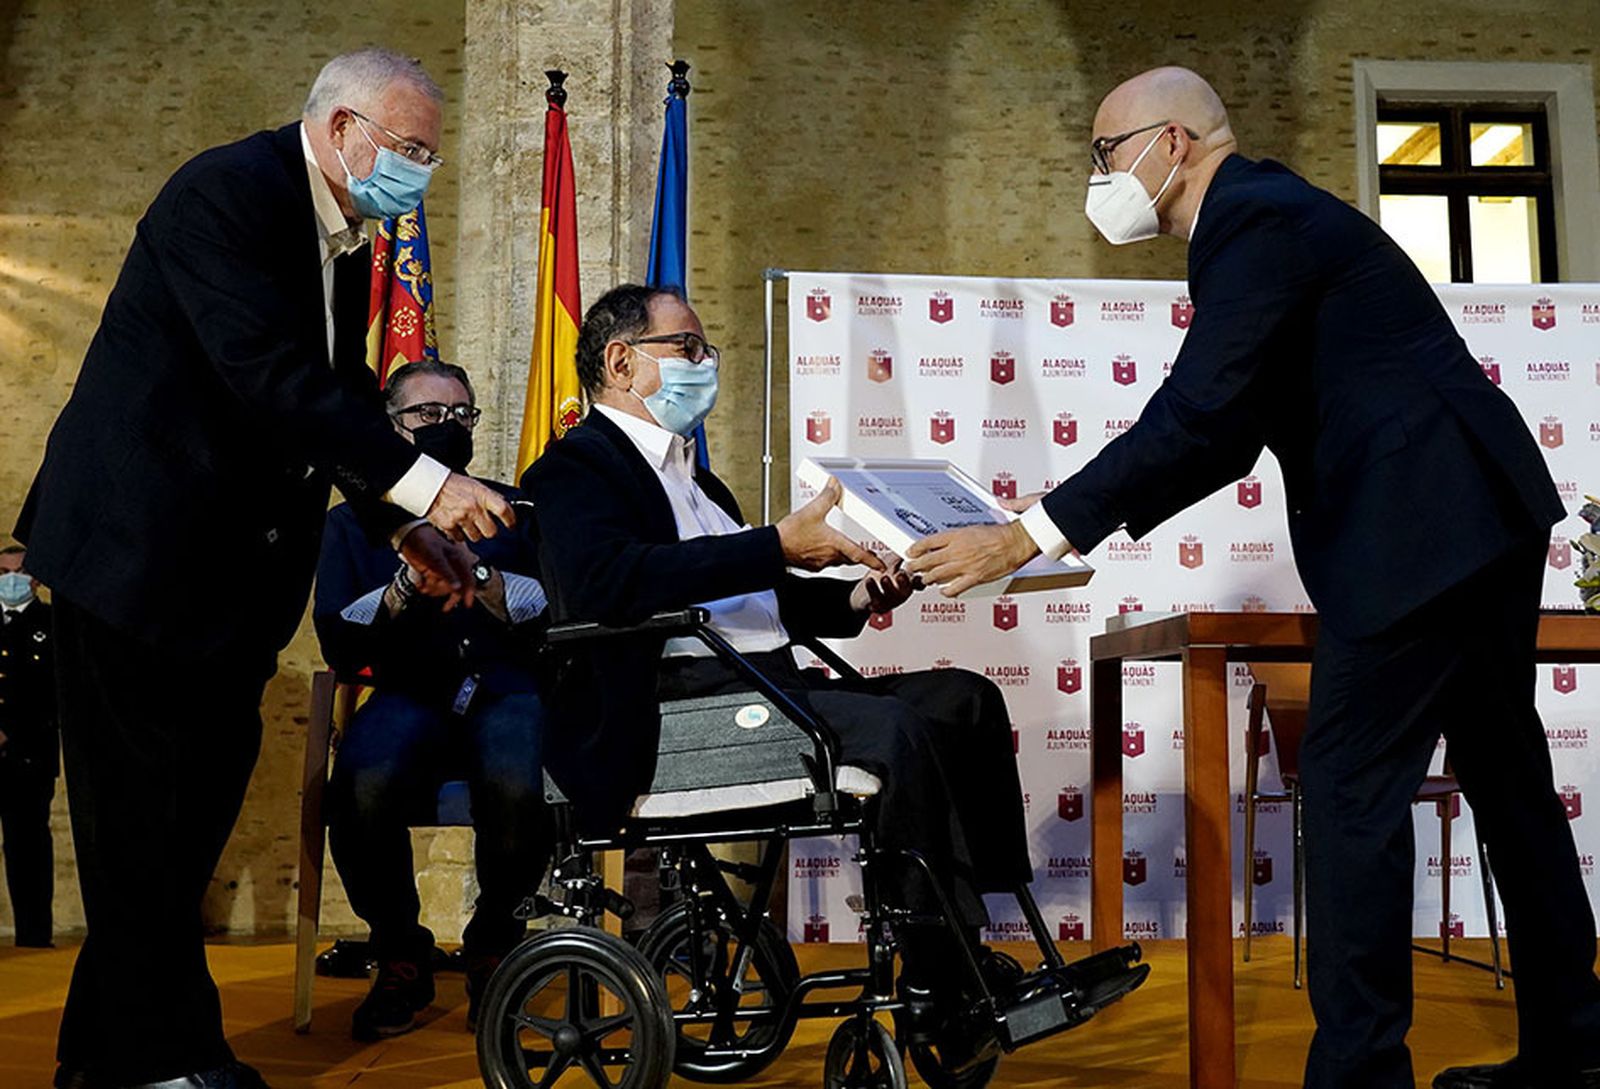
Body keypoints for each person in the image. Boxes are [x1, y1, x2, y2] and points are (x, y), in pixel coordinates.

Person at [905, 66, 1600, 1089]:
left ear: (1170, 144)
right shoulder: (1263, 221)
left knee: (1350, 792)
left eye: (1104, 154)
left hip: (1422, 526)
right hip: (1471, 515)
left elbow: (1198, 411)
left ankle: (1363, 1076)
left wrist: (1027, 534)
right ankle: (1573, 1055)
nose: (1096, 178)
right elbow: (1224, 435)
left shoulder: (1253, 218)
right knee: (1509, 786)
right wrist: (1060, 536)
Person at [13, 49, 514, 1089]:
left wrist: (398, 526)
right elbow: (269, 377)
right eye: (411, 149)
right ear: (343, 129)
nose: (421, 172)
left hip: (223, 587)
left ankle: (103, 1061)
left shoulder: (344, 240)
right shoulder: (227, 194)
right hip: (134, 559)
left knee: (181, 826)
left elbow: (339, 389)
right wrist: (429, 485)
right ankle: (168, 1061)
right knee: (140, 829)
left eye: (431, 155)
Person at [523, 283, 1034, 1070]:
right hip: (674, 707)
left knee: (966, 699)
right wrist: (772, 544)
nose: (704, 364)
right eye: (687, 348)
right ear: (621, 362)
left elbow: (753, 595)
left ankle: (974, 939)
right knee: (891, 730)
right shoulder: (572, 469)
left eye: (706, 349)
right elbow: (607, 584)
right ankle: (939, 984)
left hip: (760, 685)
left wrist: (861, 593)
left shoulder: (699, 482)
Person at [313, 360, 552, 1040]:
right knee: (361, 781)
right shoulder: (352, 523)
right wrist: (403, 586)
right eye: (428, 414)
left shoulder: (514, 510)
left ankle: (494, 944)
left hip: (506, 687)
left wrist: (484, 577)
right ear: (390, 427)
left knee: (519, 776)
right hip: (407, 688)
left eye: (461, 414)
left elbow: (554, 609)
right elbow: (338, 634)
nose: (448, 426)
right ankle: (400, 953)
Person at [0, 544, 57, 948]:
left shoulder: (52, 624)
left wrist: (11, 731)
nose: (11, 580)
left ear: (35, 578)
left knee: (28, 847)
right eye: (3, 572)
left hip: (29, 757)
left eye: (18, 572)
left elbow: (53, 693)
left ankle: (34, 937)